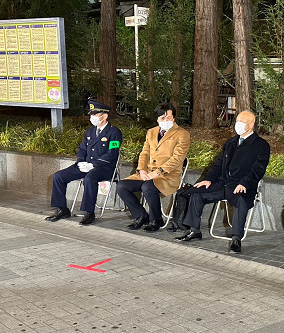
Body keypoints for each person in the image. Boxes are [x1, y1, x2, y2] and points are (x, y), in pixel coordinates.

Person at [175, 110, 270, 253]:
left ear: (251, 124)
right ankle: (194, 230)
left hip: (243, 185)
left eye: (242, 121)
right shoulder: (231, 142)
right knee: (197, 193)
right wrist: (208, 180)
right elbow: (218, 164)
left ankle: (236, 239)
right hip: (223, 183)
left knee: (241, 201)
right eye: (237, 120)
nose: (238, 124)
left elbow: (258, 170)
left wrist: (244, 183)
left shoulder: (261, 145)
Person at [45, 100, 122, 225]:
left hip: (104, 167)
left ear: (104, 116)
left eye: (95, 115)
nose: (92, 117)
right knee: (58, 176)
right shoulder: (90, 132)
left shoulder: (114, 132)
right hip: (85, 165)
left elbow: (112, 153)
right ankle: (62, 209)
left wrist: (93, 164)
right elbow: (82, 149)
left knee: (89, 178)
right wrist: (81, 162)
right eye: (91, 115)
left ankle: (89, 212)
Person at [117, 103, 190, 232]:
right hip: (148, 173)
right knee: (122, 186)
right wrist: (142, 170)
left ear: (174, 118)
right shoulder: (151, 132)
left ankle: (156, 219)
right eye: (163, 118)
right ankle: (141, 216)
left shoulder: (182, 134)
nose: (167, 120)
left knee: (147, 187)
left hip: (168, 176)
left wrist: (157, 173)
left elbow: (177, 159)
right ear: (157, 119)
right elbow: (144, 153)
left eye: (169, 117)